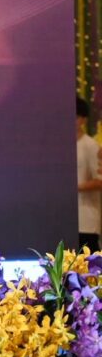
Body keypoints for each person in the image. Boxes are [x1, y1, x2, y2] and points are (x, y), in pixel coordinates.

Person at [77, 97, 101, 251]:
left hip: (87, 221)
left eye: (76, 117)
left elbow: (99, 180)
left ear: (83, 120)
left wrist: (76, 187)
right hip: (66, 218)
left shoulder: (91, 146)